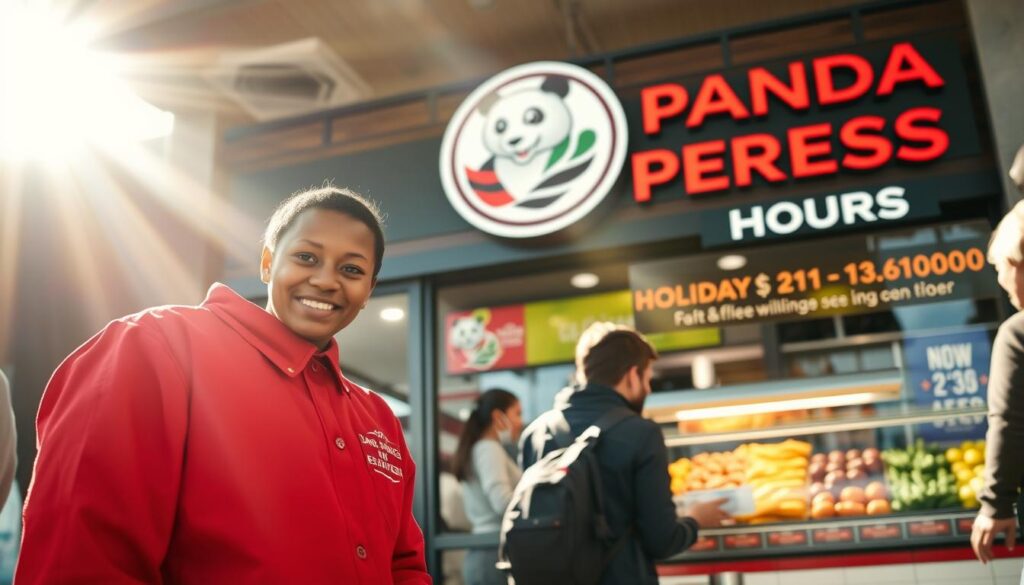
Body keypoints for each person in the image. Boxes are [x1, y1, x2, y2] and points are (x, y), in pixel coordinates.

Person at [17, 186, 431, 584]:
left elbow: (404, 565)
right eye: (306, 257)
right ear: (268, 262)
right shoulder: (156, 347)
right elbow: (82, 554)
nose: (326, 280)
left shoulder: (378, 420)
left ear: (369, 290)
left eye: (352, 269)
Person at [519, 324, 728, 585]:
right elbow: (662, 540)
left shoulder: (536, 433)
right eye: (648, 378)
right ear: (632, 375)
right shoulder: (641, 433)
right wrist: (696, 519)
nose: (649, 389)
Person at [972, 151, 1024, 570]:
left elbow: (1008, 419)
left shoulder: (1017, 332)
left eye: (1001, 268)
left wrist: (995, 504)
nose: (1001, 282)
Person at [451, 388, 524, 585]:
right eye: (517, 413)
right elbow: (502, 502)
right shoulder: (489, 449)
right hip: (492, 553)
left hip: (486, 553)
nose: (520, 421)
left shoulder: (483, 448)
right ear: (498, 417)